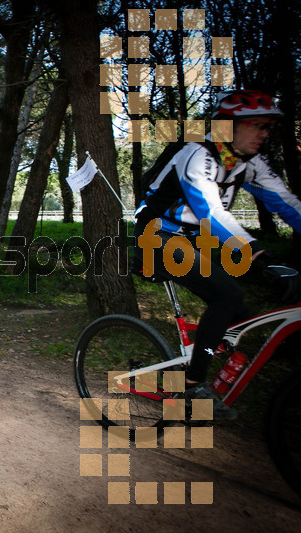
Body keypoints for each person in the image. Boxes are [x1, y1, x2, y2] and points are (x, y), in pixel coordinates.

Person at [133, 89, 301, 420]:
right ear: (228, 125)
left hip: (196, 240)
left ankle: (209, 355)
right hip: (157, 235)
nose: (264, 134)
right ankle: (193, 386)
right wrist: (257, 253)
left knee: (240, 311)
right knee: (226, 293)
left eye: (267, 127)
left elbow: (288, 204)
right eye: (256, 126)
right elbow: (210, 213)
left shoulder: (246, 163)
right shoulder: (197, 154)